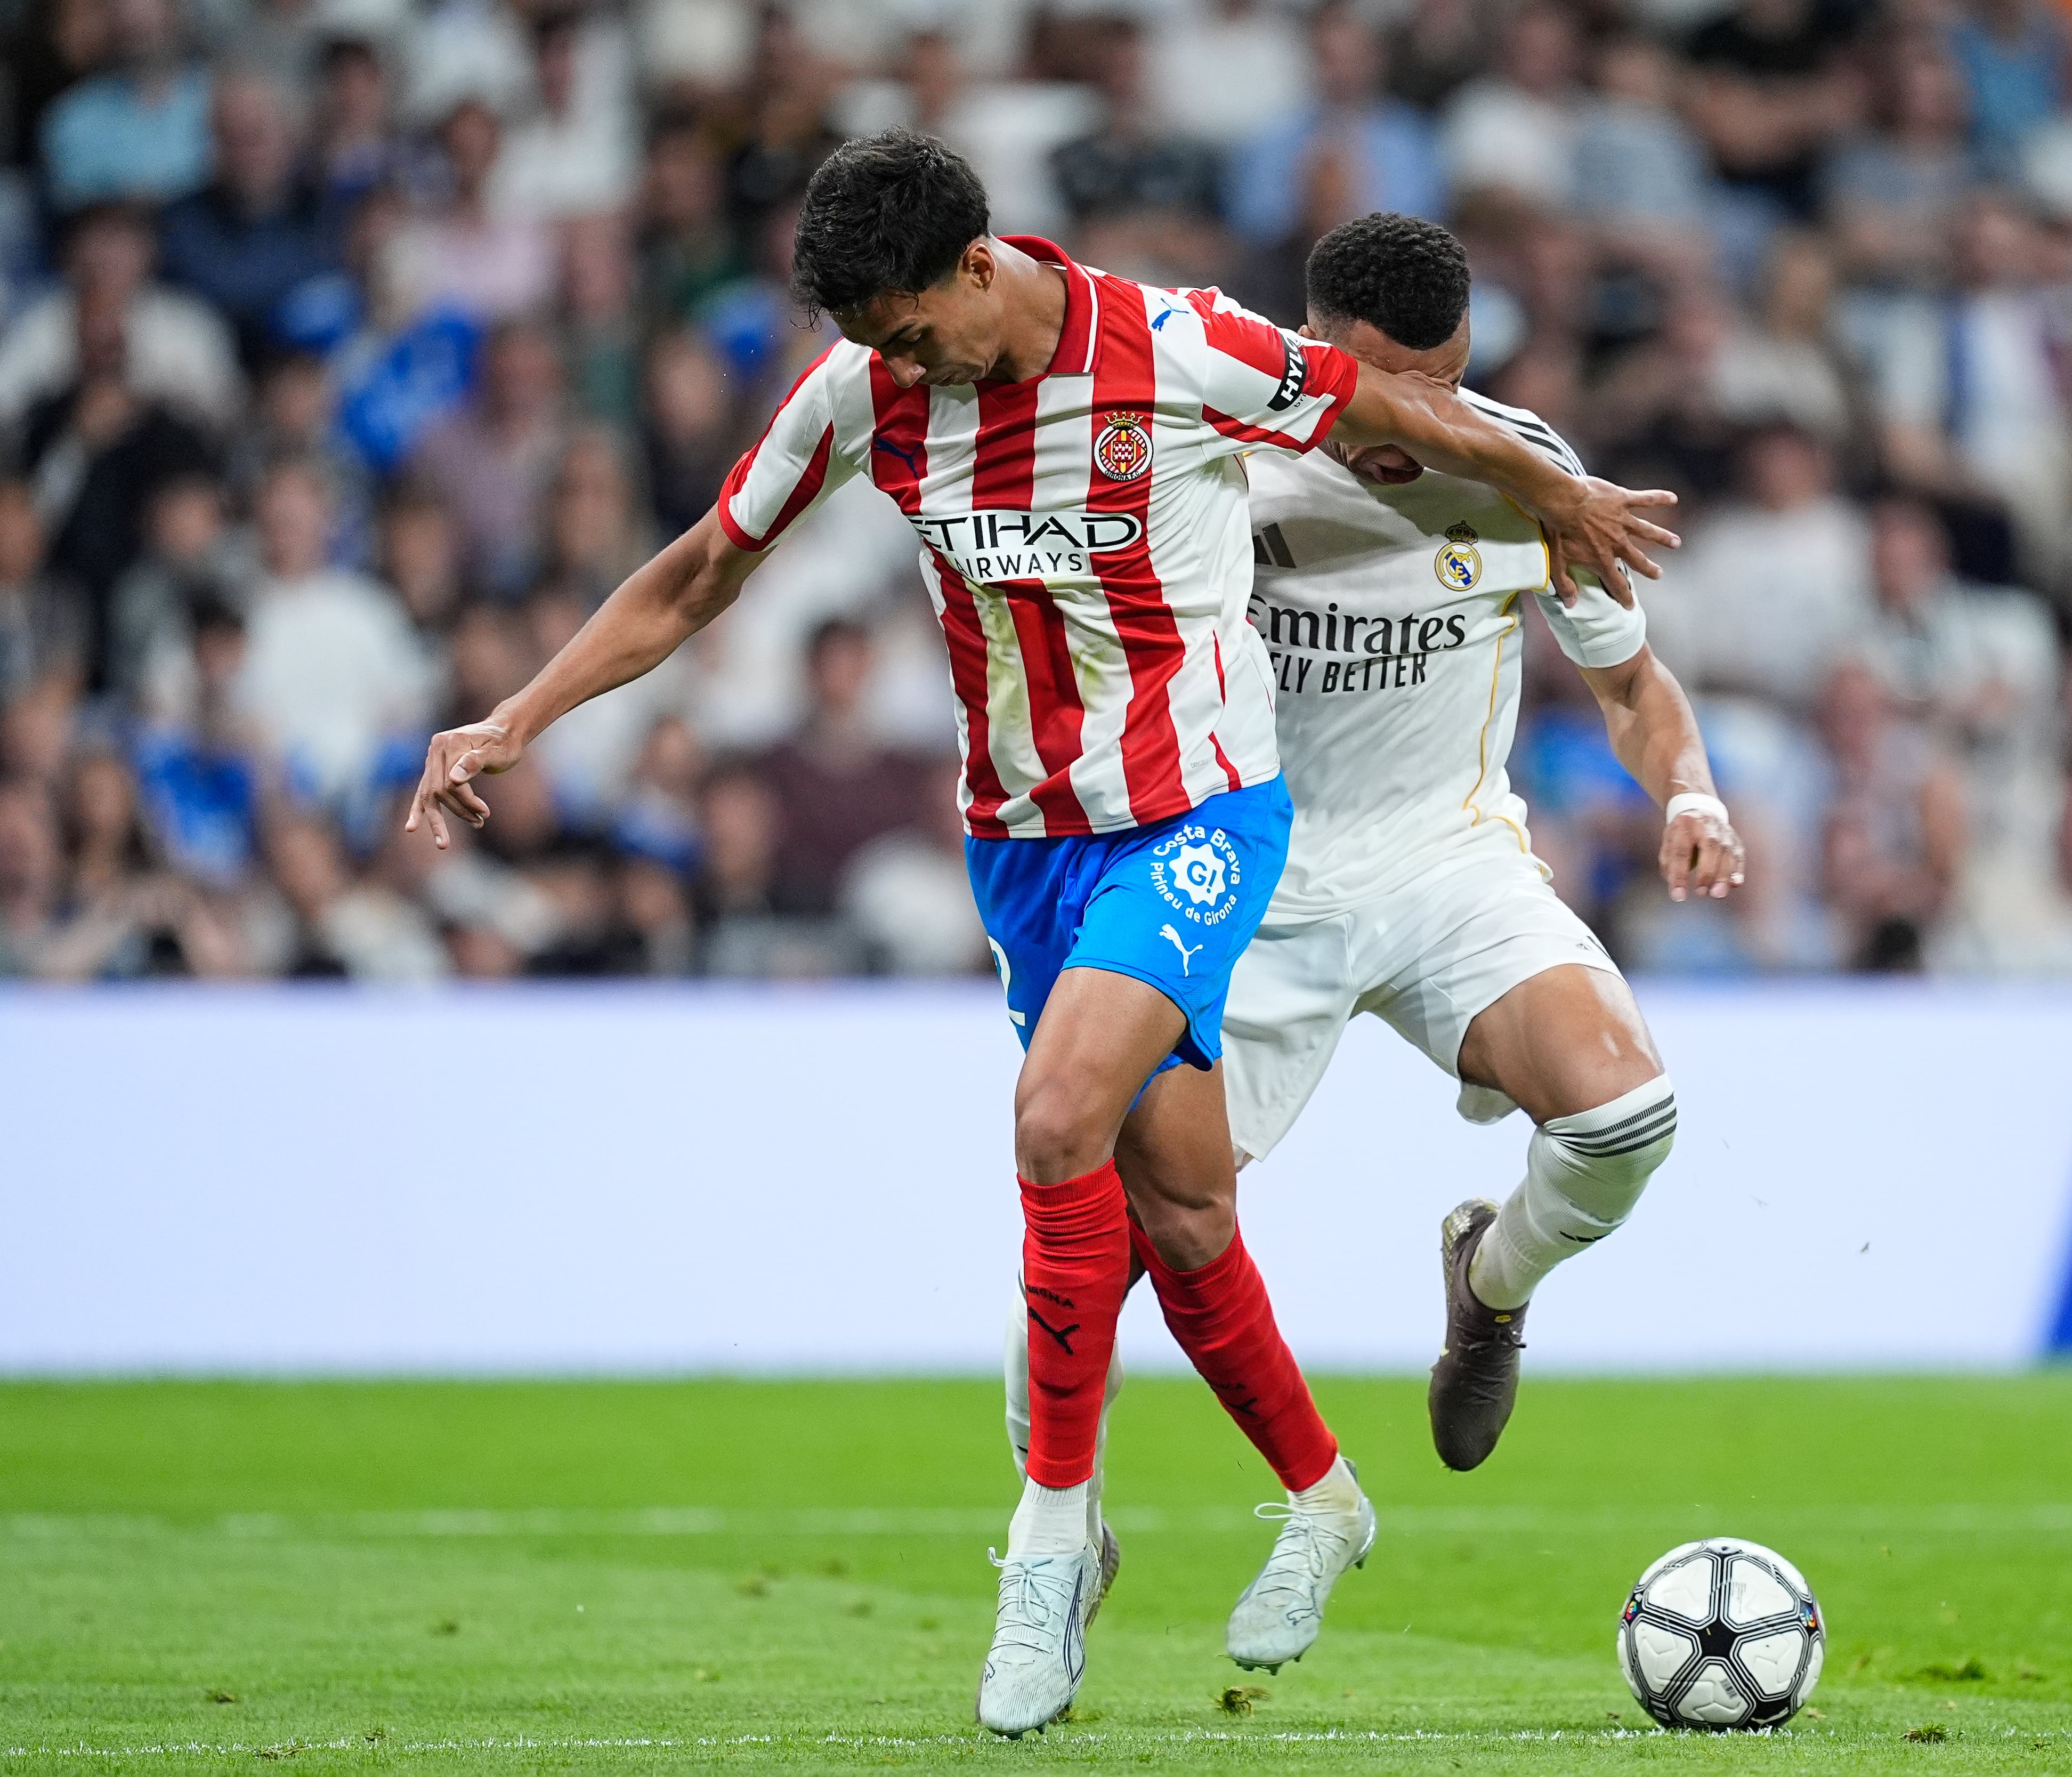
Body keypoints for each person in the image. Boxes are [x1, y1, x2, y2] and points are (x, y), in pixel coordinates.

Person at [400, 134, 1677, 1738]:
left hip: (1203, 812)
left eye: (905, 323)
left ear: (975, 264)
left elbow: (1379, 405)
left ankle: (1048, 1543)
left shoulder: (1171, 344)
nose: (891, 356)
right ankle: (1326, 1495)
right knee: (1183, 1207)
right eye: (865, 333)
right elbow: (705, 567)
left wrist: (1554, 487)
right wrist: (522, 714)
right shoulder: (864, 392)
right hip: (1024, 844)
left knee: (1056, 1116)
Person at [1001, 210, 1738, 1498]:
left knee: (1626, 1114)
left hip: (1444, 859)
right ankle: (1061, 1536)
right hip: (1239, 877)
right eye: (1405, 382)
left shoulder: (1525, 468)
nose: (1436, 410)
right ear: (1318, 347)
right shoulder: (1210, 456)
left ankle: (1489, 1282)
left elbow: (1631, 687)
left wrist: (1694, 791)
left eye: (1454, 377)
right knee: (1097, 1251)